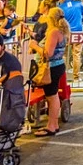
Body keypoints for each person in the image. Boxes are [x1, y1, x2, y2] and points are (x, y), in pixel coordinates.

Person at [29, 8, 69, 136]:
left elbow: (48, 54)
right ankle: (54, 124)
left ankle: (51, 126)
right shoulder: (64, 31)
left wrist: (34, 46)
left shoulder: (53, 32)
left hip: (51, 68)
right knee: (54, 95)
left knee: (51, 96)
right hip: (58, 66)